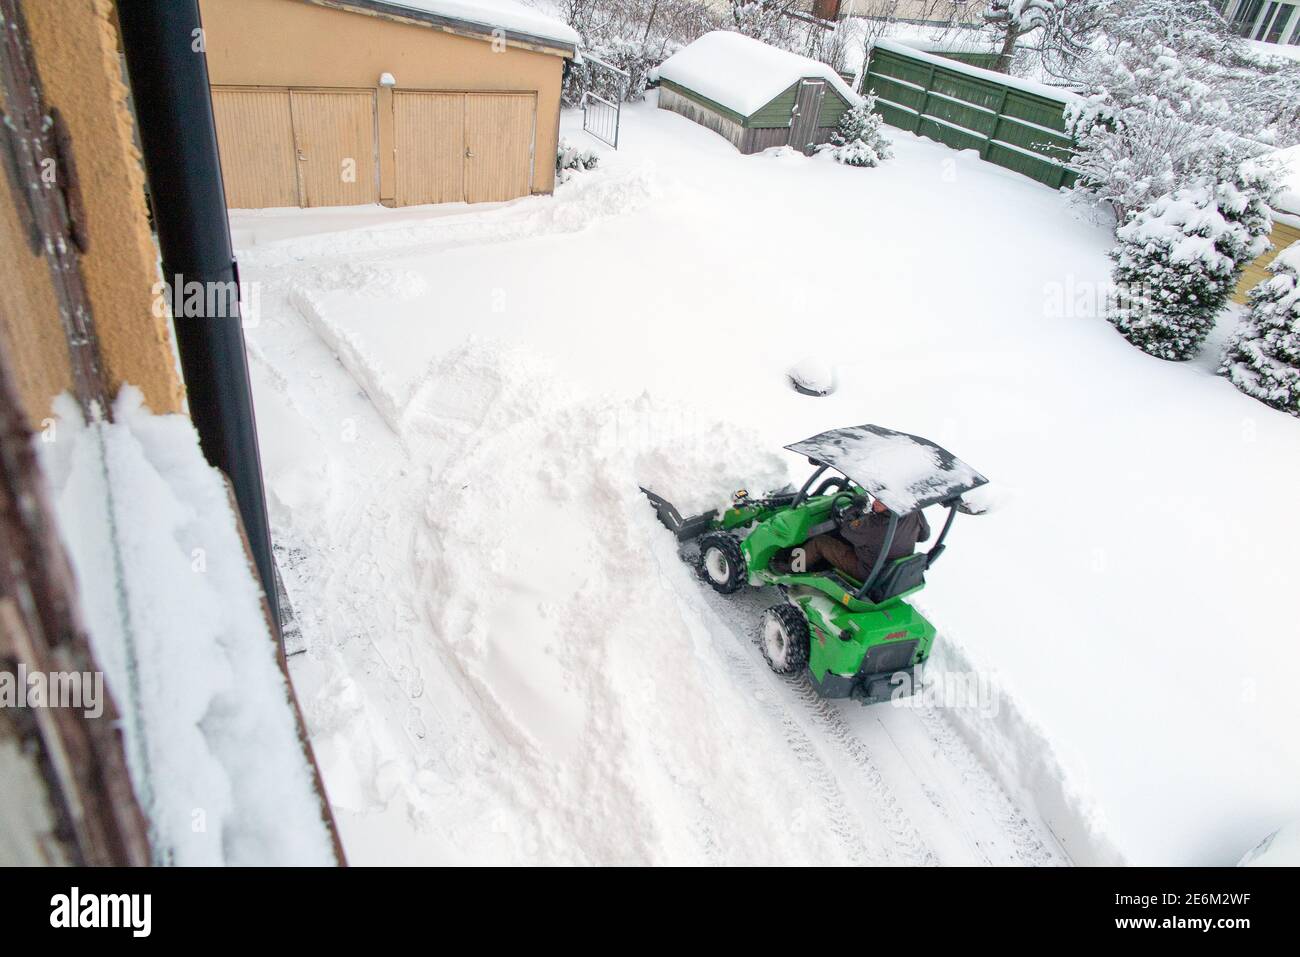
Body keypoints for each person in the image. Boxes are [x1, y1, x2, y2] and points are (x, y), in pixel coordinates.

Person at [796, 496, 930, 580]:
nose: (876, 502)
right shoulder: (914, 512)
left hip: (867, 570)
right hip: (891, 570)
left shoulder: (874, 525)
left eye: (882, 501)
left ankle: (793, 568)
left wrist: (854, 509)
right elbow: (924, 536)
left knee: (821, 542)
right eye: (877, 497)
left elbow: (846, 530)